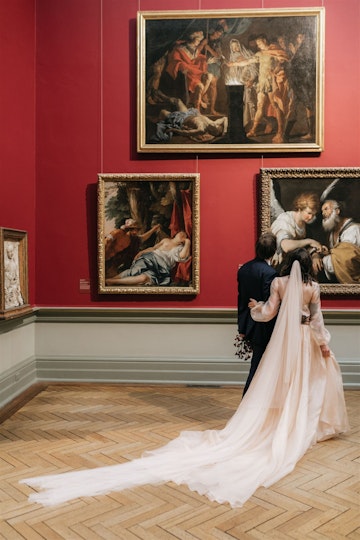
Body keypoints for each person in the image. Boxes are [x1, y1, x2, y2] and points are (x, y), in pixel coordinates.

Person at [20, 248, 348, 508]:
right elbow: (317, 321)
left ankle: (280, 423)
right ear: (308, 266)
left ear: (289, 261)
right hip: (304, 341)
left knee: (278, 380)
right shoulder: (313, 287)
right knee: (304, 382)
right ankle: (297, 423)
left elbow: (270, 312)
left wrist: (254, 309)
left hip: (283, 342)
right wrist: (324, 346)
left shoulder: (279, 283)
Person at [237, 233, 278, 395]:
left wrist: (242, 327)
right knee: (259, 367)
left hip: (249, 325)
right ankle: (248, 402)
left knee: (258, 365)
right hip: (265, 326)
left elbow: (241, 300)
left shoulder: (244, 269)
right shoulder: (270, 273)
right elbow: (270, 302)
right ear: (273, 251)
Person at [105, 231, 191, 286]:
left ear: (183, 240)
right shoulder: (166, 240)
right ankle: (112, 280)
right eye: (180, 232)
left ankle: (112, 281)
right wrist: (141, 252)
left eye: (184, 235)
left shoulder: (180, 248)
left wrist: (188, 243)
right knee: (135, 271)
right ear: (176, 234)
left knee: (143, 278)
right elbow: (153, 248)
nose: (182, 234)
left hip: (161, 268)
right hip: (150, 258)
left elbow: (182, 257)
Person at [271, 191, 322, 268]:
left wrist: (315, 255)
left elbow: (306, 247)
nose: (311, 217)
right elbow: (286, 246)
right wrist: (310, 241)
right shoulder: (285, 219)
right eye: (309, 213)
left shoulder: (305, 227)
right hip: (279, 264)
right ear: (299, 208)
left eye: (313, 214)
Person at [313, 199, 360, 283]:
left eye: (326, 209)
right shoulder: (331, 232)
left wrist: (321, 261)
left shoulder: (353, 229)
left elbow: (346, 260)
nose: (323, 213)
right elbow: (336, 253)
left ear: (337, 211)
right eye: (322, 211)